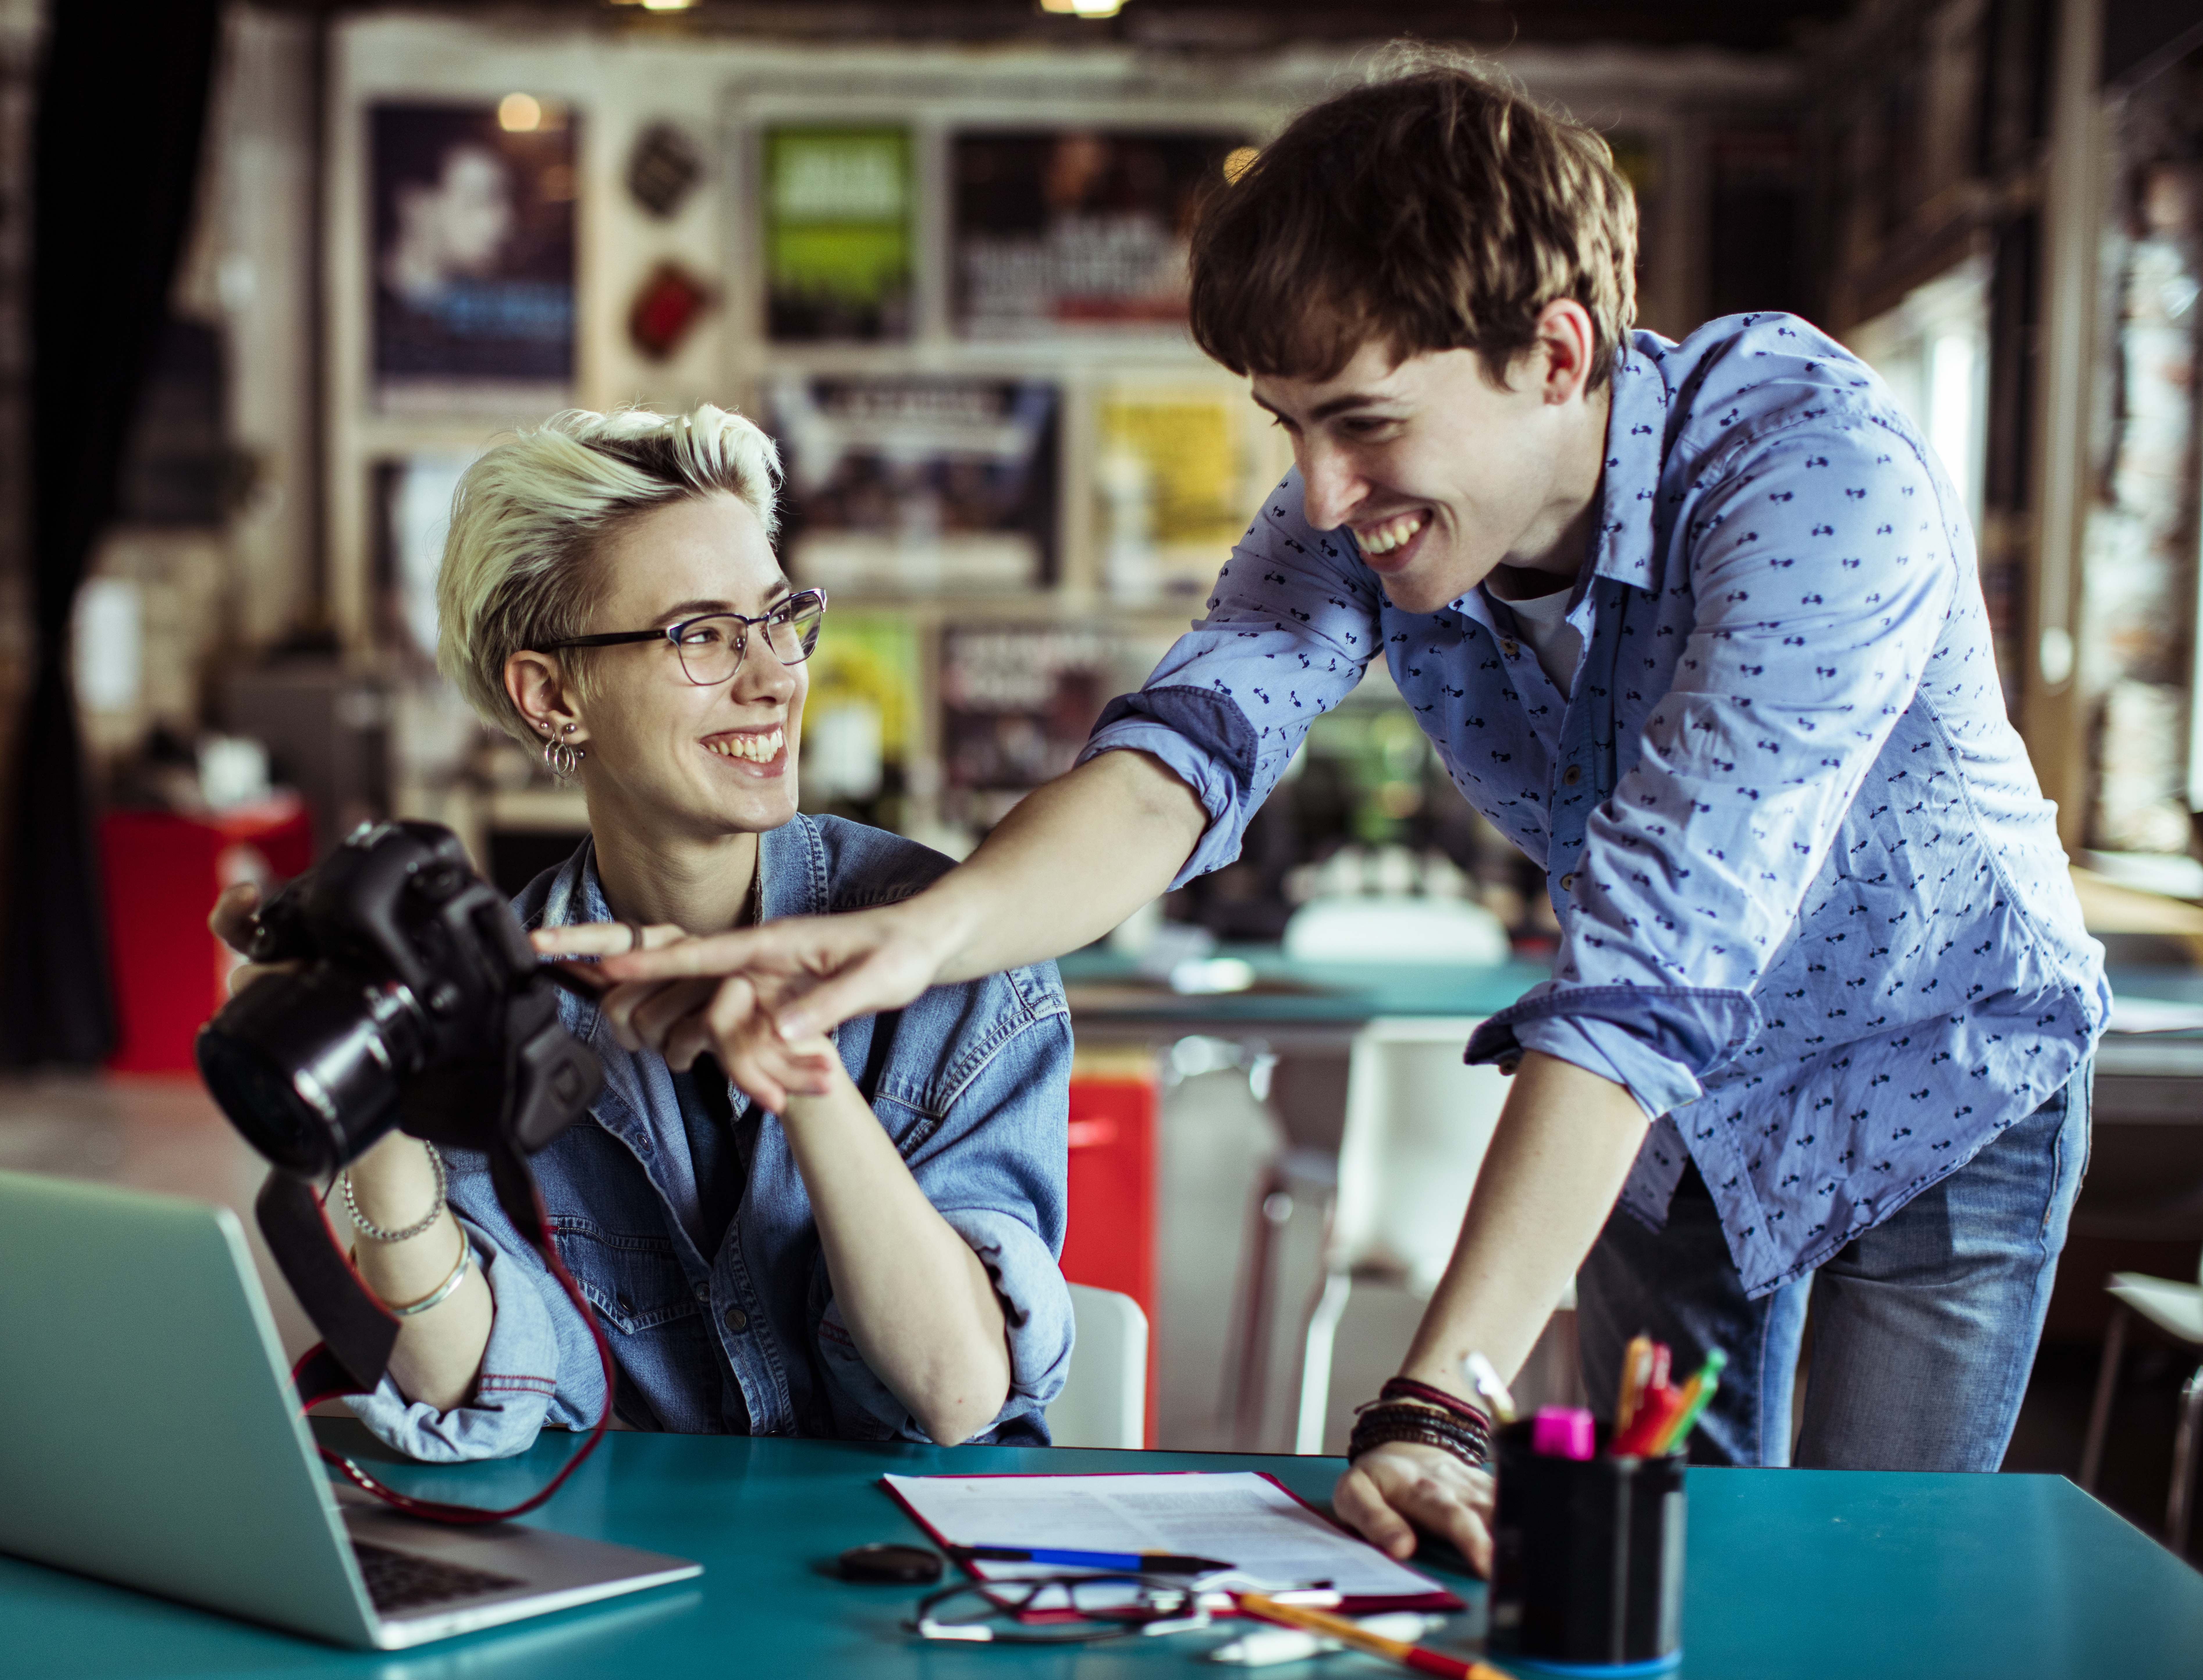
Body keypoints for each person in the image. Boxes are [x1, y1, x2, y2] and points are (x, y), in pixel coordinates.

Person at [590, 64, 2108, 1571]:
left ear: (1556, 351)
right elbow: (1177, 760)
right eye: (1285, 426)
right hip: (1665, 1126)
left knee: (1868, 1581)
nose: (1319, 495)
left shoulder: (1806, 468)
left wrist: (1441, 1401)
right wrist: (910, 940)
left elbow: (1662, 945)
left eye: (1364, 424)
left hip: (1931, 1078)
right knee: (1652, 1576)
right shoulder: (1370, 508)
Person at [212, 406, 1072, 1458]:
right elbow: (477, 1378)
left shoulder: (949, 948)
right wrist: (371, 1075)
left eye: (776, 620)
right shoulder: (493, 998)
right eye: (700, 636)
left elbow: (957, 1391)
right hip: (647, 1573)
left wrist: (799, 1068)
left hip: (916, 1589)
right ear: (552, 696)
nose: (772, 677)